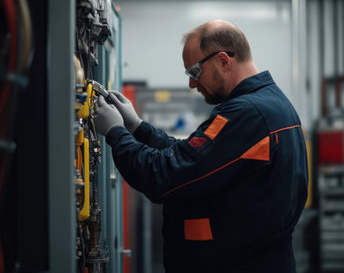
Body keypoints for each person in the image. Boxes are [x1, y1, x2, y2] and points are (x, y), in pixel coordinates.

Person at [94, 19, 308, 273]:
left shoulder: (246, 114)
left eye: (194, 72)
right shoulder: (270, 104)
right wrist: (138, 127)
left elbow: (164, 177)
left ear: (223, 61)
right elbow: (194, 157)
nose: (192, 84)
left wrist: (115, 133)